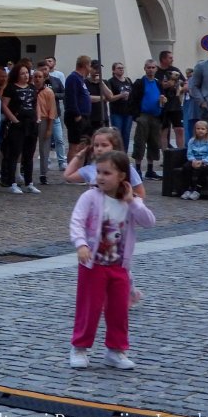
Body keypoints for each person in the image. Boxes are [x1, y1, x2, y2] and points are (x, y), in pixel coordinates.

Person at [69, 150, 155, 370]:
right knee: (89, 308)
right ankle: (79, 347)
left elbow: (149, 222)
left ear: (122, 176)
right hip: (93, 264)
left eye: (106, 173)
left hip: (119, 266)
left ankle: (116, 350)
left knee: (119, 310)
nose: (100, 177)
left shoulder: (130, 201)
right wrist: (81, 244)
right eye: (98, 172)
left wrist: (133, 202)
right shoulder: (90, 197)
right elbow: (77, 221)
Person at [64, 127, 146, 198]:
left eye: (104, 145)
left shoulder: (125, 168)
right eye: (96, 145)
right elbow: (68, 175)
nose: (99, 149)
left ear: (114, 147)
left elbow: (140, 193)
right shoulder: (91, 168)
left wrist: (127, 201)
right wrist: (81, 154)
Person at [0, 61, 39, 195]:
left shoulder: (32, 88)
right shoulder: (11, 88)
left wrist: (38, 118)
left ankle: (29, 183)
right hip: (17, 124)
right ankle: (12, 183)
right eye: (22, 73)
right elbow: (4, 105)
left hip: (31, 123)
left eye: (27, 73)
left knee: (29, 154)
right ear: (17, 74)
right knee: (14, 153)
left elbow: (36, 104)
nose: (26, 75)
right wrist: (14, 120)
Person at [33, 68, 59, 186]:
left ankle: (43, 173)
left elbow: (52, 110)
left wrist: (49, 128)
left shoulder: (48, 92)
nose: (37, 79)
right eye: (35, 76)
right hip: (31, 120)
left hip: (44, 119)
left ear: (44, 79)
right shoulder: (30, 90)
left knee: (44, 148)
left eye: (40, 77)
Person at [63, 55, 93, 156]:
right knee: (75, 146)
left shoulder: (81, 79)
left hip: (84, 116)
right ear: (86, 65)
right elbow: (71, 98)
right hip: (76, 117)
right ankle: (71, 165)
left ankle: (80, 165)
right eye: (90, 66)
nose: (90, 69)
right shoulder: (73, 78)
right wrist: (77, 116)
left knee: (83, 146)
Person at [180, 120, 208, 200]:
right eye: (198, 129)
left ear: (207, 131)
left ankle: (197, 190)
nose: (200, 130)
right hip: (194, 160)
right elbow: (189, 154)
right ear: (195, 130)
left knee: (203, 169)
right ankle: (187, 189)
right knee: (186, 167)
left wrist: (202, 161)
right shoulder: (191, 141)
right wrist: (193, 160)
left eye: (203, 129)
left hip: (206, 160)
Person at [103, 63, 134, 152]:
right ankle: (117, 153)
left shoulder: (128, 80)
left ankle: (124, 154)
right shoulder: (111, 81)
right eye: (118, 68)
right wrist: (121, 95)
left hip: (128, 112)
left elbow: (133, 93)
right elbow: (110, 97)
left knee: (126, 134)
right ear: (114, 70)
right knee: (117, 134)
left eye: (122, 68)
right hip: (117, 112)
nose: (121, 69)